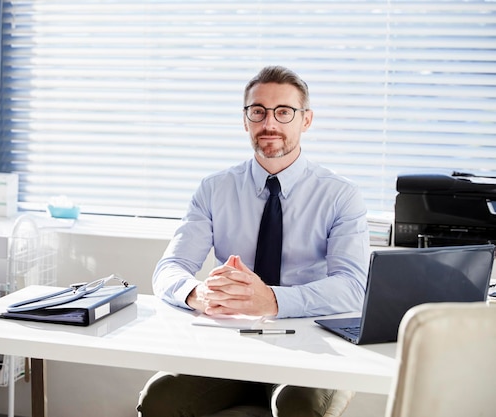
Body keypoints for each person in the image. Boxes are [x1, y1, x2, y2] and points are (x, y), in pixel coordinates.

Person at [137, 65, 370, 417]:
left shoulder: (341, 195)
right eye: (258, 111)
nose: (269, 124)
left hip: (316, 347)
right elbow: (169, 269)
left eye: (284, 112)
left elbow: (353, 287)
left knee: (297, 406)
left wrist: (271, 300)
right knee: (159, 399)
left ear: (305, 120)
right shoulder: (214, 189)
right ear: (245, 120)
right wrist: (196, 293)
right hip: (232, 344)